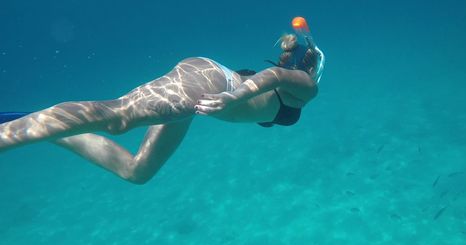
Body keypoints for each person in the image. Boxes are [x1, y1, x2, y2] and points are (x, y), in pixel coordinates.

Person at [0, 17, 325, 184]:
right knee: (118, 118)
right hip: (211, 84)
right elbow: (274, 77)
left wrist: (230, 98)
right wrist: (234, 96)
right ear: (310, 66)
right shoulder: (307, 86)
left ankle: (42, 123)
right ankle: (11, 132)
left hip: (203, 93)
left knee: (137, 171)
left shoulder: (296, 84)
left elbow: (271, 78)